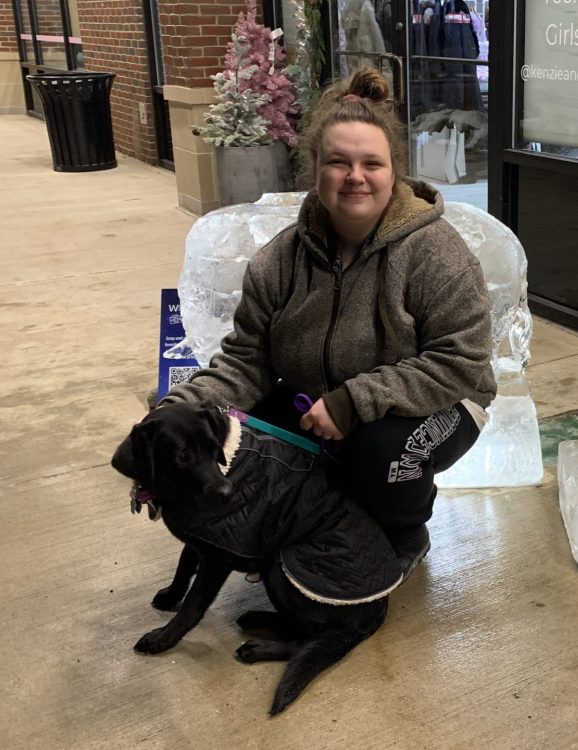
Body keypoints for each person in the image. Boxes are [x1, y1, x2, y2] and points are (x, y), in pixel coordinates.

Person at [161, 67, 496, 582]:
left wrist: (352, 401)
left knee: (380, 450)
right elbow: (247, 358)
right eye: (338, 162)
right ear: (313, 170)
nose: (355, 176)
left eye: (371, 163)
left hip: (445, 401)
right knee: (234, 436)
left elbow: (462, 363)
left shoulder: (436, 253)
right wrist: (181, 410)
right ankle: (300, 524)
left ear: (394, 172)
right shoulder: (279, 260)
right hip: (318, 400)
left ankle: (404, 533)